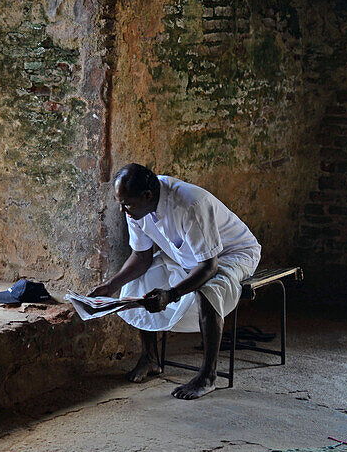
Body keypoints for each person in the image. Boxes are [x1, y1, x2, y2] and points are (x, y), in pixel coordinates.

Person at [87, 164, 261, 399]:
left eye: (126, 204)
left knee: (208, 291)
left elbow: (209, 266)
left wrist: (170, 294)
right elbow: (141, 257)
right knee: (138, 284)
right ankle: (150, 357)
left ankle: (208, 376)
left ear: (147, 196)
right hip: (188, 256)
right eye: (120, 203)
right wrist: (111, 285)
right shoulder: (136, 206)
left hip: (230, 254)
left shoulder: (190, 205)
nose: (122, 210)